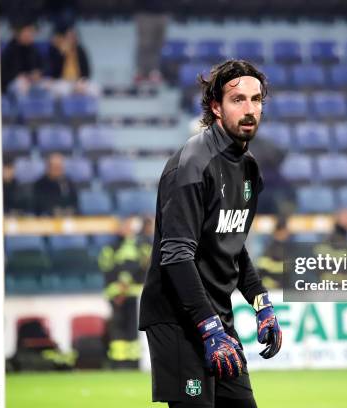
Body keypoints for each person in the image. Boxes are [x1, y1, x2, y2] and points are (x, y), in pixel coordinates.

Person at [139, 60, 281, 408]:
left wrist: (261, 302)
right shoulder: (193, 163)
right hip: (180, 320)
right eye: (238, 100)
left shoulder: (248, 168)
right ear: (216, 107)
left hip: (216, 319)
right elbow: (176, 255)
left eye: (256, 99)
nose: (249, 109)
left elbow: (232, 245)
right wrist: (209, 327)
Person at [98, 218, 147, 369]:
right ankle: (119, 362)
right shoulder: (111, 247)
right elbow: (106, 268)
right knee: (118, 329)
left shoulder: (140, 245)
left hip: (133, 294)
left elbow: (144, 265)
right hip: (116, 295)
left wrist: (127, 284)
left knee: (133, 329)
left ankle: (133, 362)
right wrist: (119, 288)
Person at [47, 24, 98, 97]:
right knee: (59, 90)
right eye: (69, 37)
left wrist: (82, 81)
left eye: (73, 37)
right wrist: (61, 54)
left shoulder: (81, 51)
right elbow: (54, 72)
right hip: (63, 81)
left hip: (79, 80)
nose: (71, 39)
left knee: (94, 89)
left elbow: (87, 70)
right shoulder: (58, 51)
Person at [0, 20, 44, 95]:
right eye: (27, 32)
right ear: (20, 33)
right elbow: (5, 73)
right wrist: (23, 75)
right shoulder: (10, 49)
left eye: (31, 33)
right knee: (22, 85)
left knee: (48, 85)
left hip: (31, 80)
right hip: (11, 83)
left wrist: (38, 73)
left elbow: (41, 66)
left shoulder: (33, 48)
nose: (30, 35)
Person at [256, 218, 290, 290]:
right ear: (277, 231)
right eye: (284, 231)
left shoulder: (289, 248)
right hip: (272, 290)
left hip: (286, 289)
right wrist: (271, 284)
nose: (286, 234)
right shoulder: (269, 250)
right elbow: (261, 272)